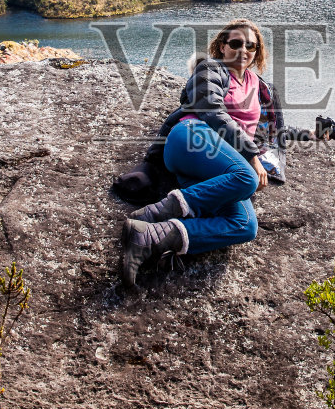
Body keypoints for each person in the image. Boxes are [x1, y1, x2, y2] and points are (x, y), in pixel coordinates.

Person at [118, 19, 295, 286]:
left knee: (245, 225)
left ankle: (149, 237)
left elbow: (269, 128)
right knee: (247, 178)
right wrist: (251, 156)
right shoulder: (211, 69)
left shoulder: (259, 86)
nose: (243, 50)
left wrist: (315, 133)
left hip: (219, 162)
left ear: (257, 51)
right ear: (222, 46)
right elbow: (211, 109)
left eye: (251, 46)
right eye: (236, 43)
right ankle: (152, 214)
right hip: (190, 137)